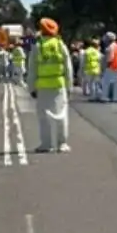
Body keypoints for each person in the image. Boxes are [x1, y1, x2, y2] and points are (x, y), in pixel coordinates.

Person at [31, 17, 72, 154]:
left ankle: (46, 144)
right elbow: (68, 67)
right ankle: (62, 144)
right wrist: (69, 85)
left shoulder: (38, 46)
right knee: (62, 114)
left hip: (42, 85)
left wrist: (31, 88)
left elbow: (32, 69)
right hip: (59, 84)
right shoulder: (61, 45)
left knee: (44, 116)